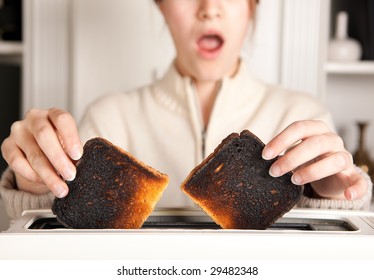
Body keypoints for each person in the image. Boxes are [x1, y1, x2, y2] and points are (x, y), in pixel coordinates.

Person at [0, 0, 372, 220]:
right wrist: (33, 187)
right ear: (160, 6)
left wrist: (331, 200)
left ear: (252, 7)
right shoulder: (107, 119)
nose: (209, 10)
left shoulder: (303, 116)